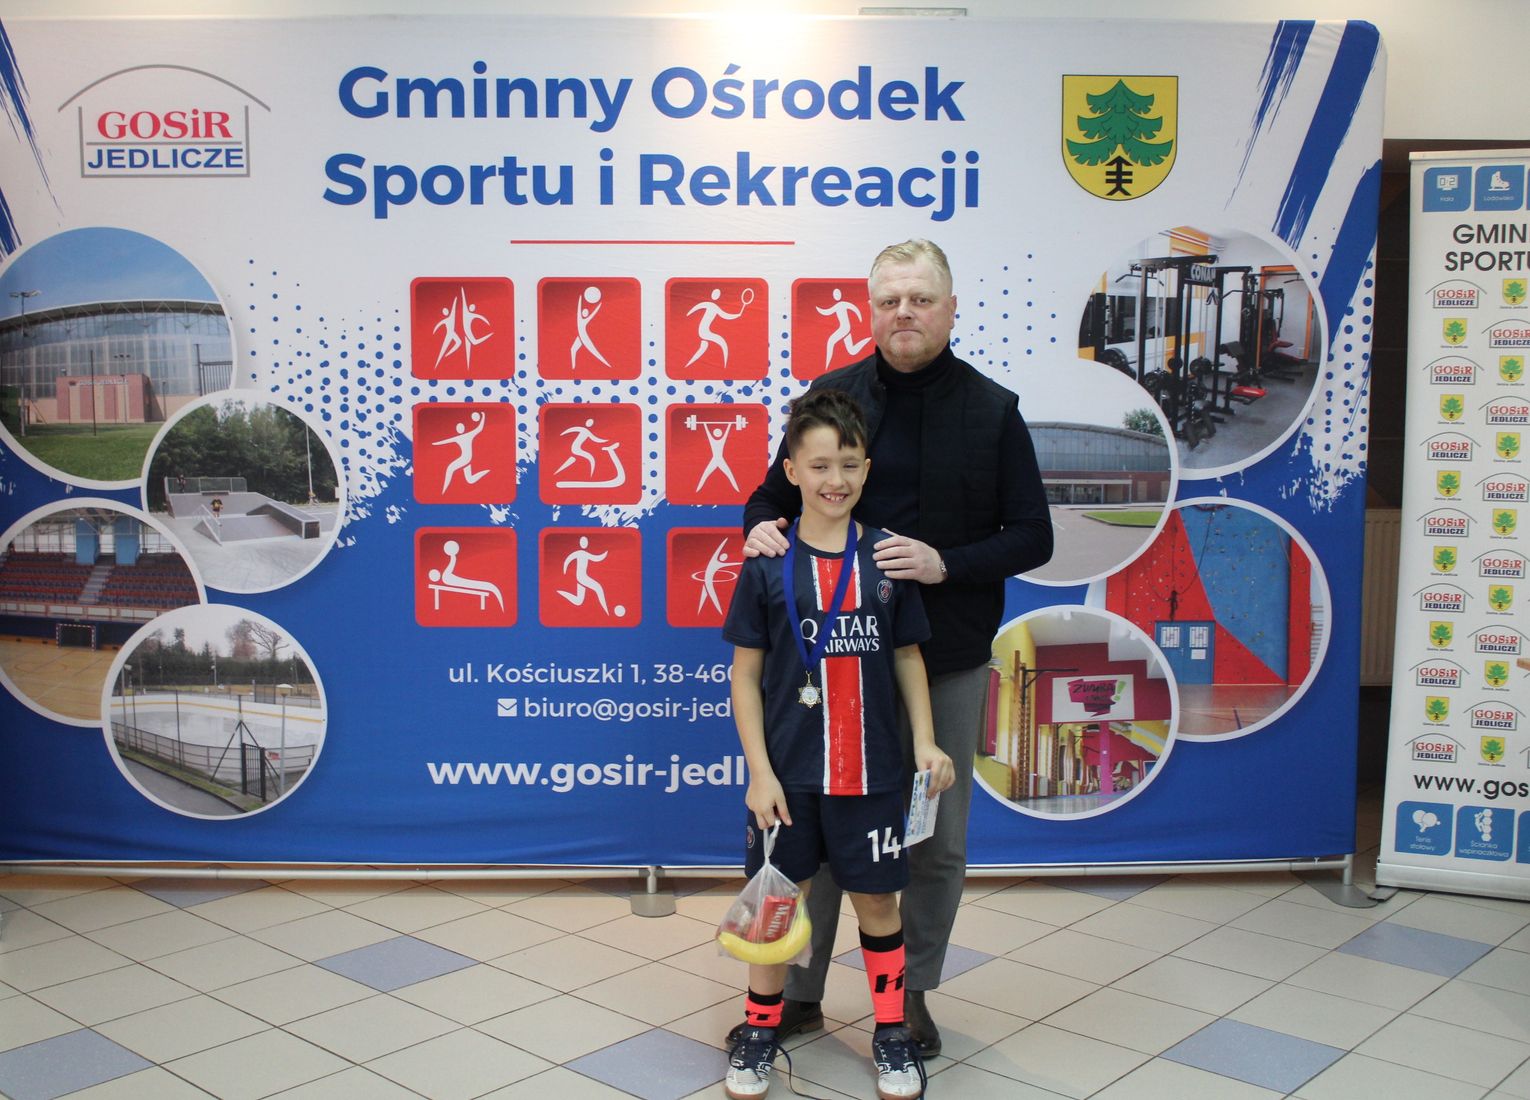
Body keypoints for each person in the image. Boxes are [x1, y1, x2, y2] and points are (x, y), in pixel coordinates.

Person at [739, 239, 1053, 1057]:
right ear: (869, 310)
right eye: (889, 301)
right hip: (825, 657)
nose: (904, 314)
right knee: (816, 828)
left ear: (951, 308)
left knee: (933, 839)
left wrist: (948, 564)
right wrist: (762, 532)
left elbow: (1034, 535)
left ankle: (908, 999)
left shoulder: (993, 410)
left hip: (938, 657)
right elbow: (768, 500)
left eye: (920, 299)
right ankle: (798, 993)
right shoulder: (833, 396)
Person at [722, 389, 955, 1100]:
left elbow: (909, 657)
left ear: (866, 469)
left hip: (873, 775)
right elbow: (744, 675)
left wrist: (925, 742)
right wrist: (759, 773)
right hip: (787, 779)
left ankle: (891, 1033)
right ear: (791, 471)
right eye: (819, 465)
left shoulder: (886, 558)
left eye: (849, 465)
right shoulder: (767, 562)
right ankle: (759, 1031)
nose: (836, 479)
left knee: (879, 905)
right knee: (776, 903)